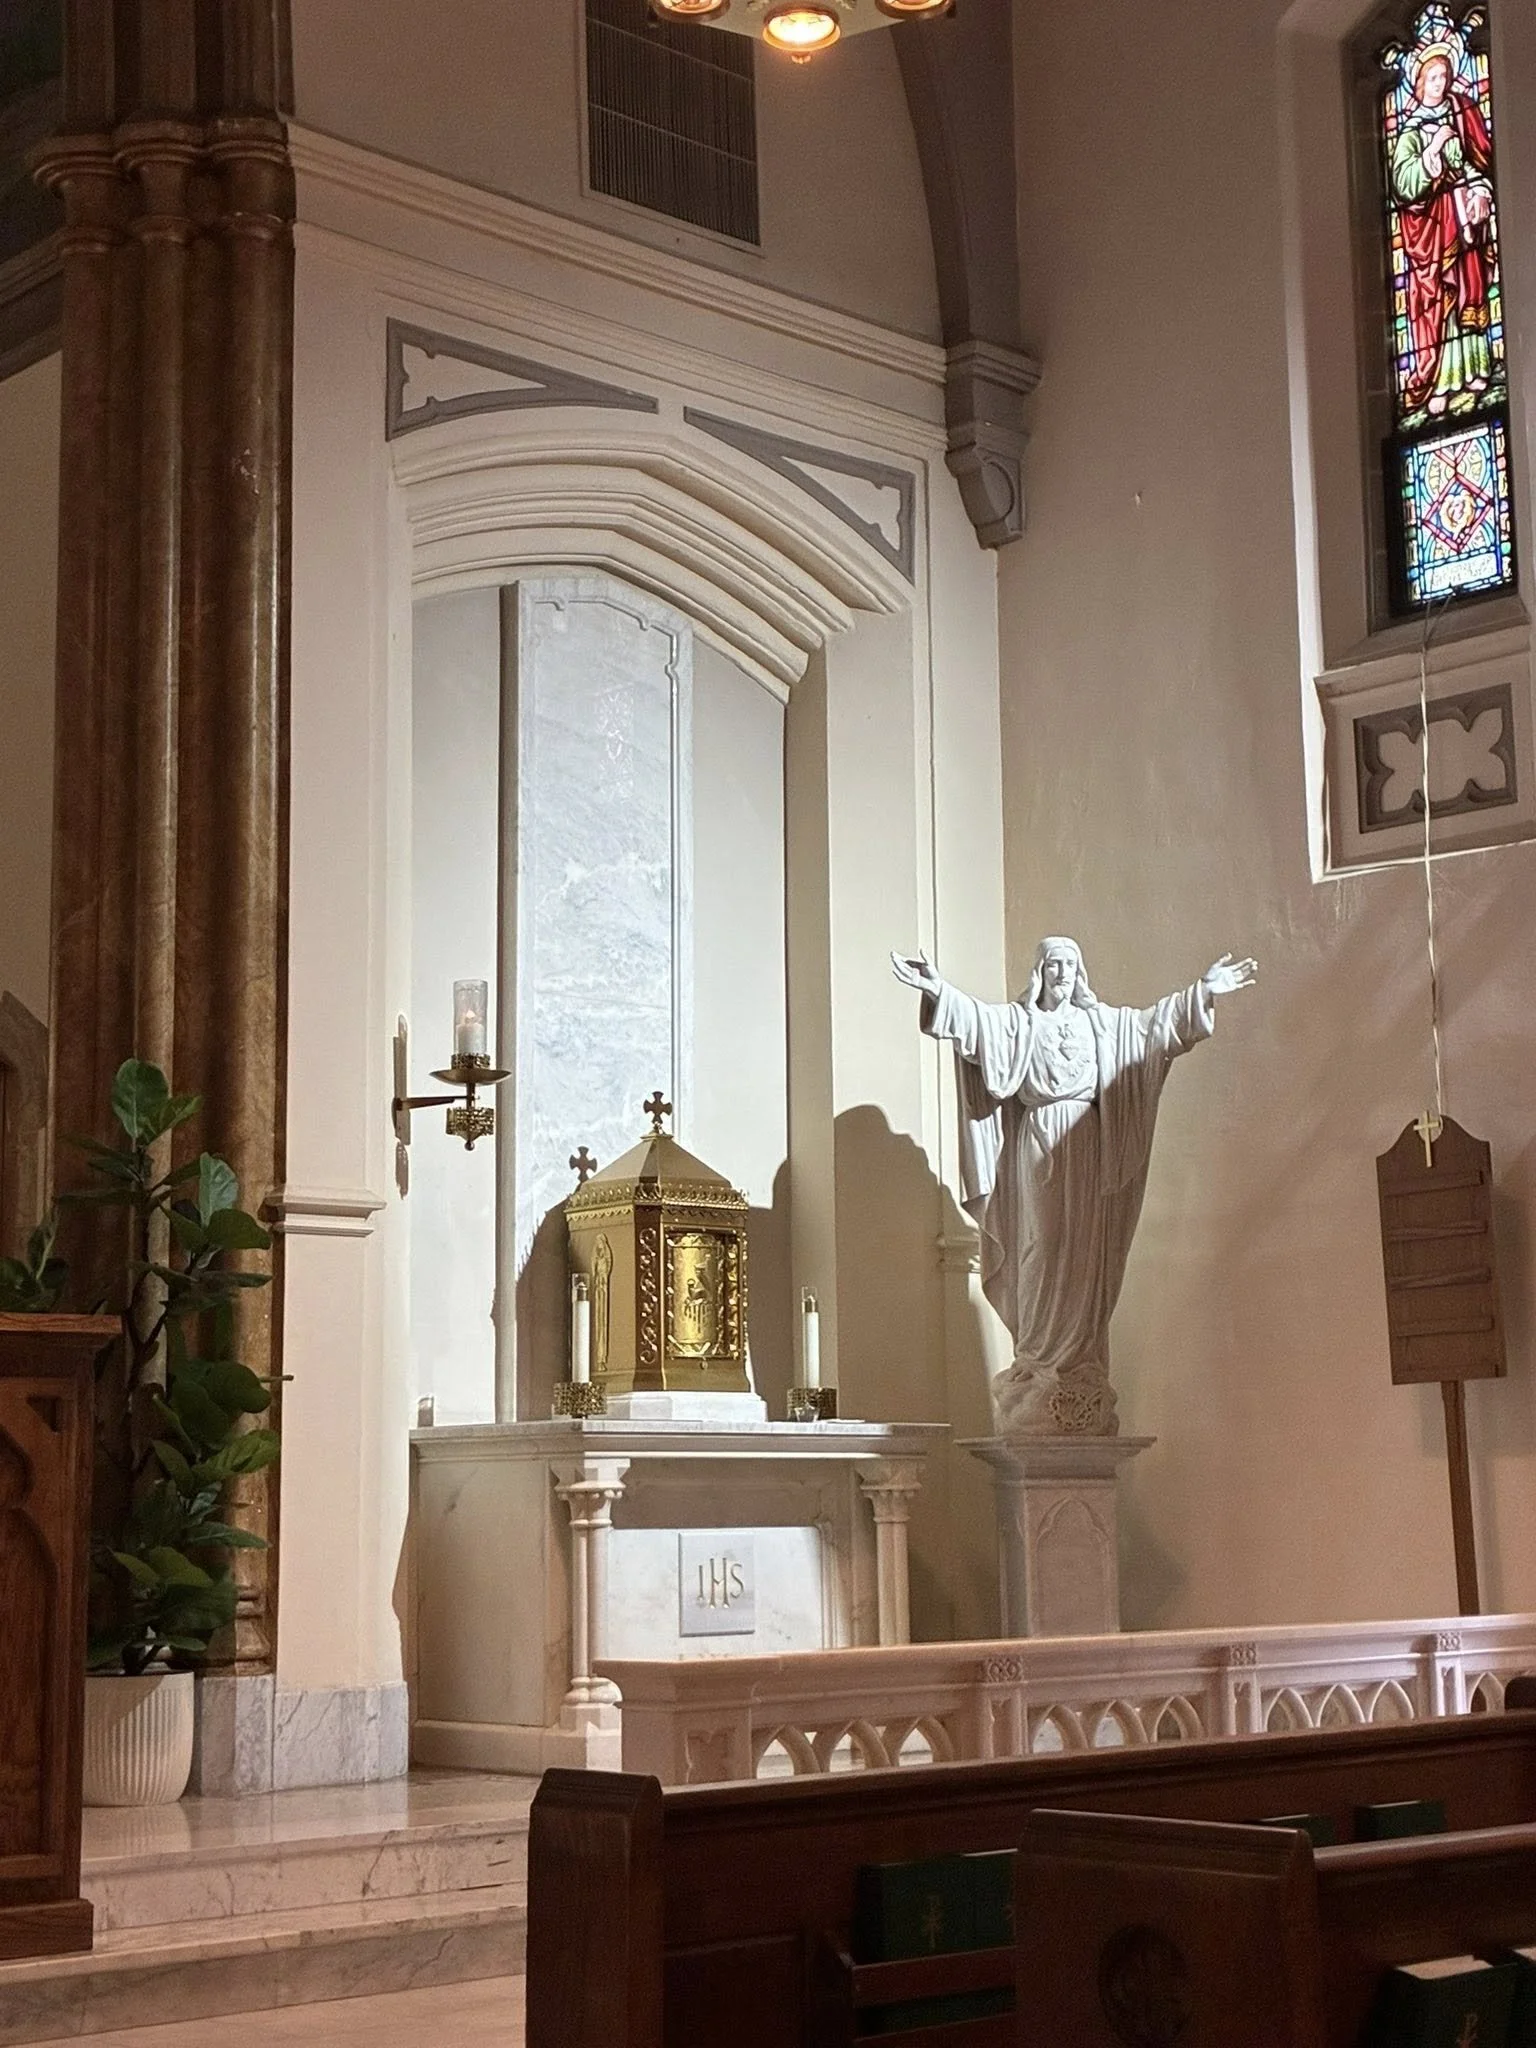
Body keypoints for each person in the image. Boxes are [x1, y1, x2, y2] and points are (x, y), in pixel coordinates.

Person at [892, 938, 1257, 1435]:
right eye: (1054, 964)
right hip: (1040, 1139)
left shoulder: (1100, 1024)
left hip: (1087, 1142)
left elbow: (1154, 1028)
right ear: (1039, 971)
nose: (1063, 972)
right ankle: (1039, 1358)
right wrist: (938, 989)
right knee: (1042, 1243)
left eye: (1070, 964)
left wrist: (1203, 992)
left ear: (1079, 971)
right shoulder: (1021, 1024)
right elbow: (976, 1023)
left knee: (1084, 1252)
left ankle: (1078, 1363)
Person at [1389, 38, 1497, 420]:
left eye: (1443, 76)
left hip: (1462, 223)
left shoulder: (1455, 121)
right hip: (1432, 232)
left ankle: (1475, 370)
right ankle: (1440, 381)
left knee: (1469, 287)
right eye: (1431, 77)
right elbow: (1403, 183)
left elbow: (1468, 166)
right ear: (1418, 83)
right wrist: (1431, 151)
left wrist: (1481, 190)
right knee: (1439, 301)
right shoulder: (1410, 132)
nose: (1439, 83)